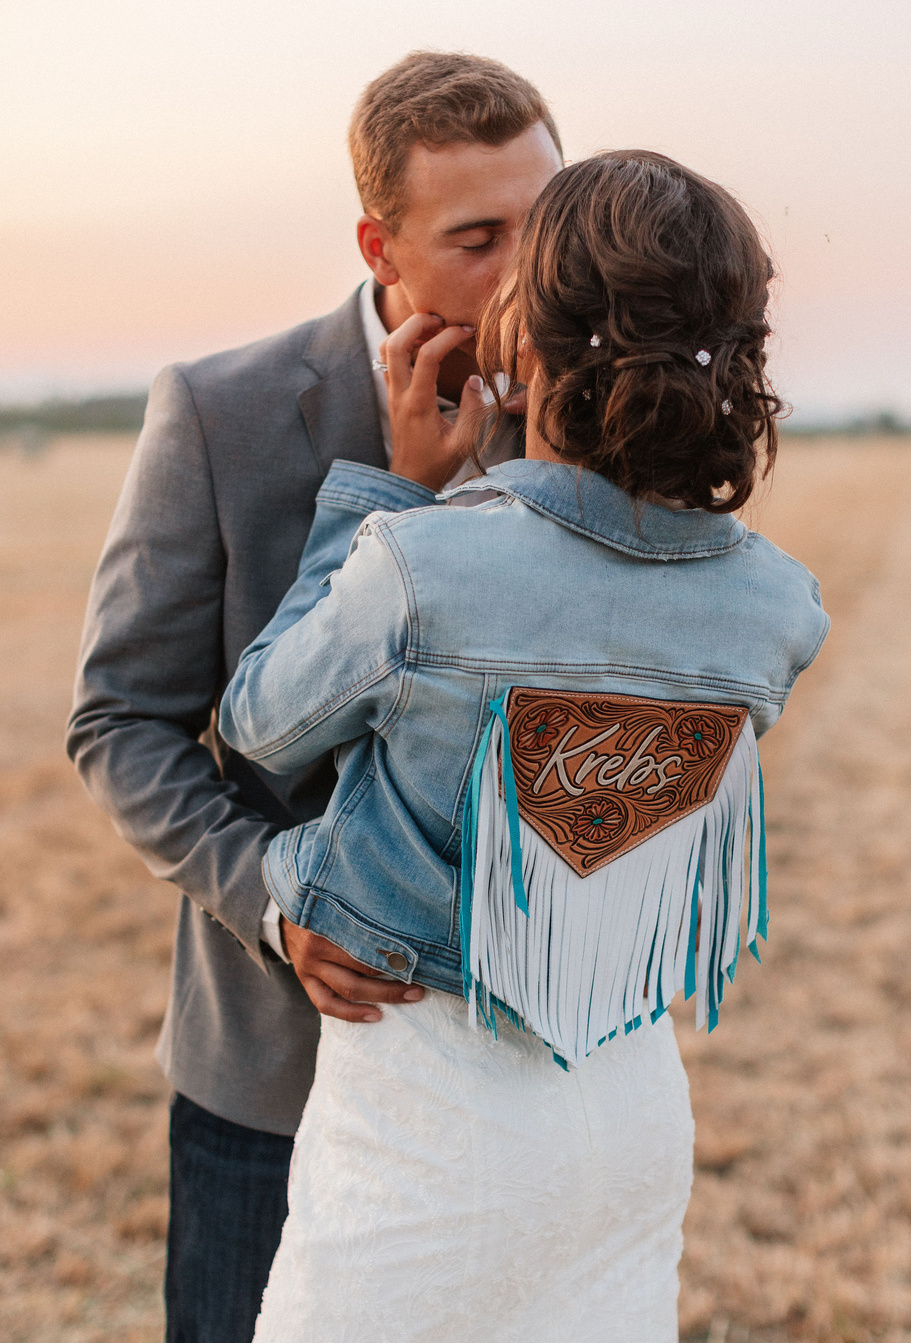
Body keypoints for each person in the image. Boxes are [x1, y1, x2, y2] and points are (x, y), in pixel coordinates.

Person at [219, 150, 831, 1341]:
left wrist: (385, 496)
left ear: (529, 339)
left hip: (434, 1122)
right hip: (632, 1099)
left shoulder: (428, 565)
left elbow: (258, 723)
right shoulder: (776, 606)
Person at [65, 51, 563, 1343]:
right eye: (478, 238)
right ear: (377, 243)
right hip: (276, 1073)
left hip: (525, 1075)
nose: (529, 270)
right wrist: (280, 901)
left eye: (545, 221)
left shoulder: (595, 419)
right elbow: (121, 722)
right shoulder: (222, 413)